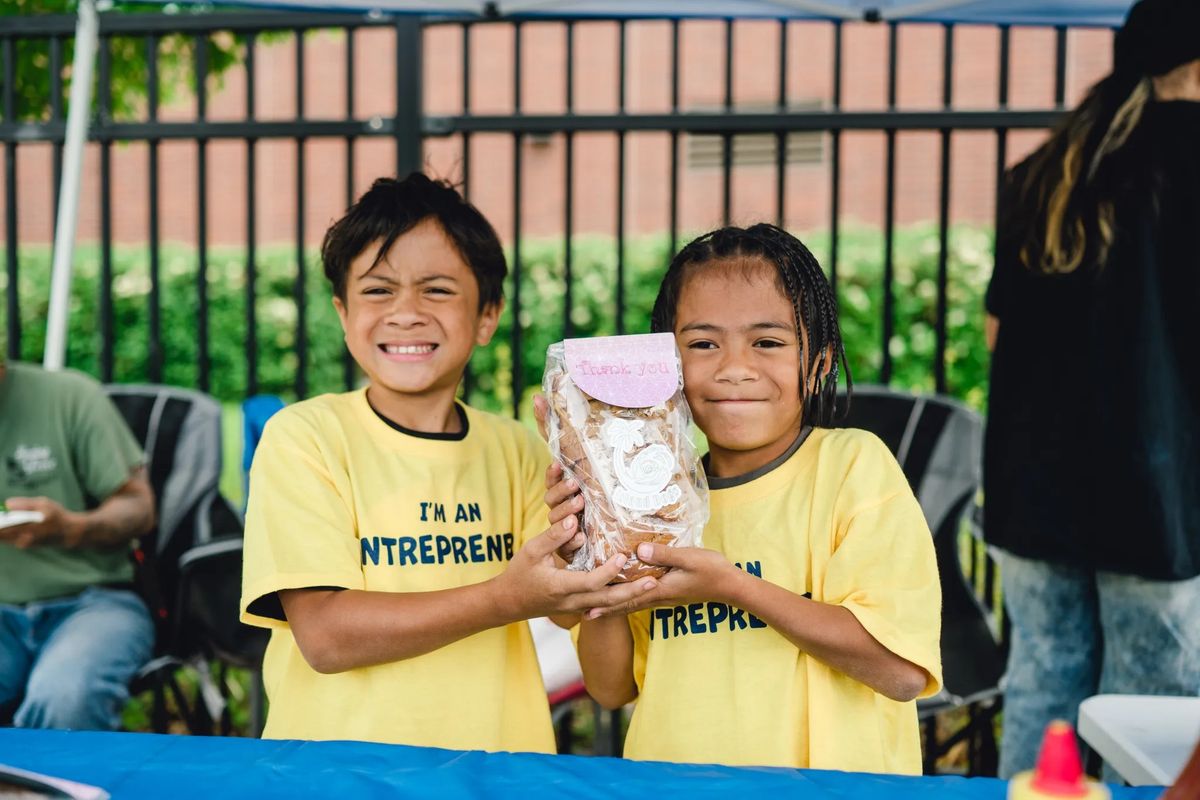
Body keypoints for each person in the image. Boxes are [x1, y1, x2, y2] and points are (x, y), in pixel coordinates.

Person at [239, 173, 652, 750]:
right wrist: (503, 598)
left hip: (498, 773)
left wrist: (604, 526)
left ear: (487, 316)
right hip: (337, 777)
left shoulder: (519, 451)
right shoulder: (305, 437)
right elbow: (327, 638)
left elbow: (585, 641)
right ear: (342, 312)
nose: (405, 312)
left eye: (436, 290)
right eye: (378, 290)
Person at [542, 224, 942, 773]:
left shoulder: (852, 466)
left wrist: (734, 587)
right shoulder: (652, 505)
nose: (734, 368)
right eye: (703, 344)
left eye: (768, 342)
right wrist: (599, 552)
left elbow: (899, 672)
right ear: (667, 366)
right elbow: (611, 688)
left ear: (820, 360)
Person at [984, 0, 1200, 779]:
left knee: (1043, 686)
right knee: (1154, 702)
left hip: (1032, 482)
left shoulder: (1051, 171)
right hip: (1159, 489)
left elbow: (997, 332)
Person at [0, 357, 156, 731]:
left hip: (94, 601)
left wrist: (71, 527)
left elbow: (139, 507)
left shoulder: (68, 396)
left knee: (67, 697)